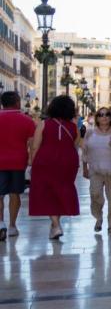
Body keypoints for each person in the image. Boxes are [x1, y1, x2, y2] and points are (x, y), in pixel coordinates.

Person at [28, 95, 82, 240]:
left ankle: (56, 224)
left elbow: (35, 146)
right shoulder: (74, 127)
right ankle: (55, 225)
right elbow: (75, 145)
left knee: (46, 192)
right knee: (63, 190)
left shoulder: (44, 124)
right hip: (68, 161)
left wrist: (32, 163)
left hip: (45, 160)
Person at [81, 107, 111, 232]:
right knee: (95, 195)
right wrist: (84, 168)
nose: (104, 117)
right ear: (97, 118)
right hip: (95, 171)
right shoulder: (90, 132)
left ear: (110, 117)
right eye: (101, 115)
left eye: (107, 114)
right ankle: (98, 217)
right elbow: (85, 151)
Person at [0, 91, 36, 241]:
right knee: (15, 193)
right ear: (17, 102)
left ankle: (1, 223)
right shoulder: (27, 120)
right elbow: (32, 143)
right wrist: (31, 160)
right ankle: (13, 226)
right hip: (18, 162)